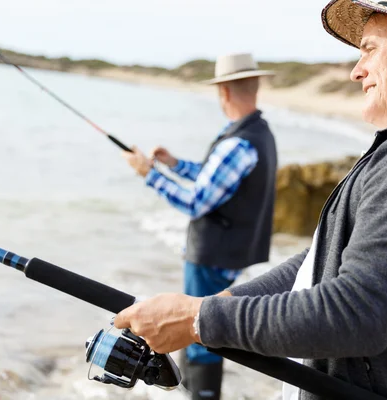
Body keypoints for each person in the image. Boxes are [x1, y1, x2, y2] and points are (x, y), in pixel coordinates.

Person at [116, 1, 387, 399]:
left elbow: (357, 314)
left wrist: (198, 321)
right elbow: (322, 258)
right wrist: (217, 304)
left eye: (369, 48)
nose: (356, 70)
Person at [122, 53, 277, 400]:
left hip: (213, 255)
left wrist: (148, 174)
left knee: (199, 331)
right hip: (228, 252)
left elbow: (196, 202)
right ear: (254, 86)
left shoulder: (239, 142)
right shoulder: (257, 132)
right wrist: (174, 165)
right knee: (198, 328)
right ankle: (187, 390)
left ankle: (200, 393)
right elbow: (214, 179)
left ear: (224, 92)